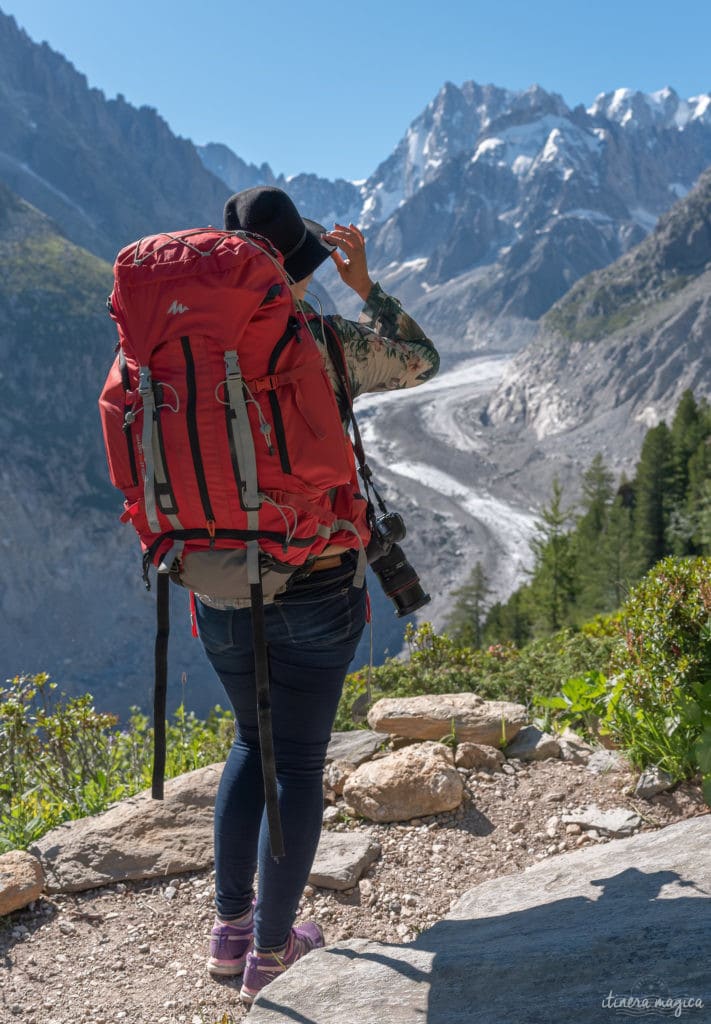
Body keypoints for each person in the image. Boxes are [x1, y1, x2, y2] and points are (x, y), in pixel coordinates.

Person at [194, 186, 439, 1007]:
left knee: (248, 744)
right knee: (297, 762)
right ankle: (272, 951)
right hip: (316, 580)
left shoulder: (182, 350)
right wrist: (365, 284)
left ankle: (230, 933)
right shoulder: (325, 341)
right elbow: (422, 360)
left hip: (217, 584)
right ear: (300, 262)